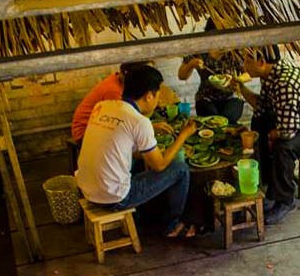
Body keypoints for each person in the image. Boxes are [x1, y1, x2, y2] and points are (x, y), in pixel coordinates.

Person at [75, 65, 198, 238]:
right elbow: (160, 166)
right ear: (149, 96)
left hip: (86, 188)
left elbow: (119, 147)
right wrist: (184, 135)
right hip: (114, 199)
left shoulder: (102, 106)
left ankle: (145, 213)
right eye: (157, 95)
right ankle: (172, 226)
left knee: (141, 160)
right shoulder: (140, 122)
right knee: (181, 169)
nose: (157, 100)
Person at [235, 47, 300, 224]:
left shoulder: (284, 83)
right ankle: (270, 185)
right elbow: (261, 107)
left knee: (283, 147)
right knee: (259, 120)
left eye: (247, 60)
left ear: (261, 62)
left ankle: (285, 201)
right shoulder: (272, 74)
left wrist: (271, 136)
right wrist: (240, 87)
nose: (243, 64)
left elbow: (287, 131)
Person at [178, 21, 245, 124]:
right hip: (206, 97)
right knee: (212, 121)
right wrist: (191, 64)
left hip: (232, 96)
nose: (220, 42)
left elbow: (248, 73)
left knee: (227, 119)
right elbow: (181, 76)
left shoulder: (234, 50)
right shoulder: (200, 49)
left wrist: (237, 81)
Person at [71, 62, 150, 143]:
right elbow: (122, 121)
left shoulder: (117, 78)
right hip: (84, 132)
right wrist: (147, 128)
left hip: (94, 128)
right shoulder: (113, 91)